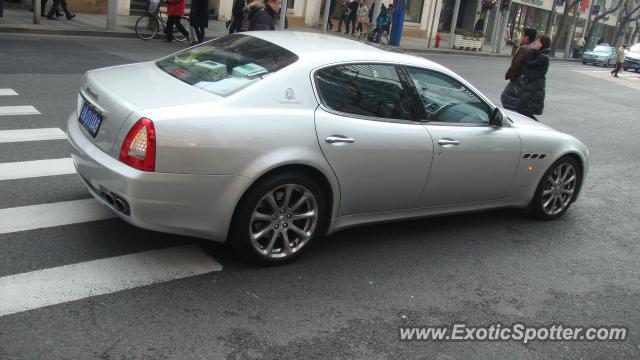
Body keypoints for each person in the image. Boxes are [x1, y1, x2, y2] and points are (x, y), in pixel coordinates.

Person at [500, 28, 536, 111]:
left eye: (523, 35)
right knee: (515, 99)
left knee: (505, 97)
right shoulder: (533, 47)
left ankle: (516, 116)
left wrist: (509, 75)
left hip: (518, 78)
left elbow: (516, 64)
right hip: (525, 79)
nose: (521, 37)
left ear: (527, 38)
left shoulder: (525, 48)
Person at [517, 35, 551, 121]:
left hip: (534, 87)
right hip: (531, 86)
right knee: (523, 111)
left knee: (524, 111)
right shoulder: (539, 54)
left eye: (538, 42)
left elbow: (529, 64)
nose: (535, 43)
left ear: (543, 44)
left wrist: (532, 50)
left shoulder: (542, 57)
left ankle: (538, 128)